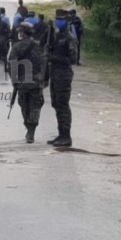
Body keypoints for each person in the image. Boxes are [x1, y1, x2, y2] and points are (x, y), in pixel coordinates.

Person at [8, 22, 44, 144]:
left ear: (22, 33)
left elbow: (12, 65)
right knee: (35, 106)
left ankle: (29, 129)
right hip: (36, 81)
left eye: (20, 32)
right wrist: (45, 79)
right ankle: (31, 131)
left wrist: (14, 81)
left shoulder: (17, 47)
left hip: (22, 82)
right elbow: (45, 63)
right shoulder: (39, 46)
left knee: (24, 105)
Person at [47, 10, 78, 147]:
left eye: (61, 20)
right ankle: (61, 134)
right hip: (55, 74)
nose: (58, 22)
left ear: (66, 21)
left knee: (63, 105)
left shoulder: (70, 38)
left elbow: (72, 59)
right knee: (56, 104)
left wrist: (53, 58)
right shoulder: (57, 36)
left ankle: (66, 136)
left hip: (63, 75)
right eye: (57, 19)